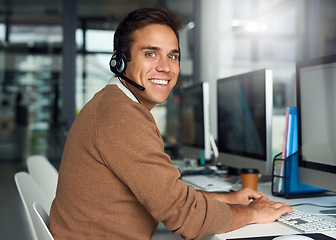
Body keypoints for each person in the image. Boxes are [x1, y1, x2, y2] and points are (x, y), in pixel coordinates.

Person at [50, 7, 292, 240]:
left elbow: (166, 194)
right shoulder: (121, 116)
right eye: (150, 54)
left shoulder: (113, 104)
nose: (165, 67)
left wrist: (227, 198)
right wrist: (253, 213)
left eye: (172, 56)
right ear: (119, 61)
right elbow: (186, 215)